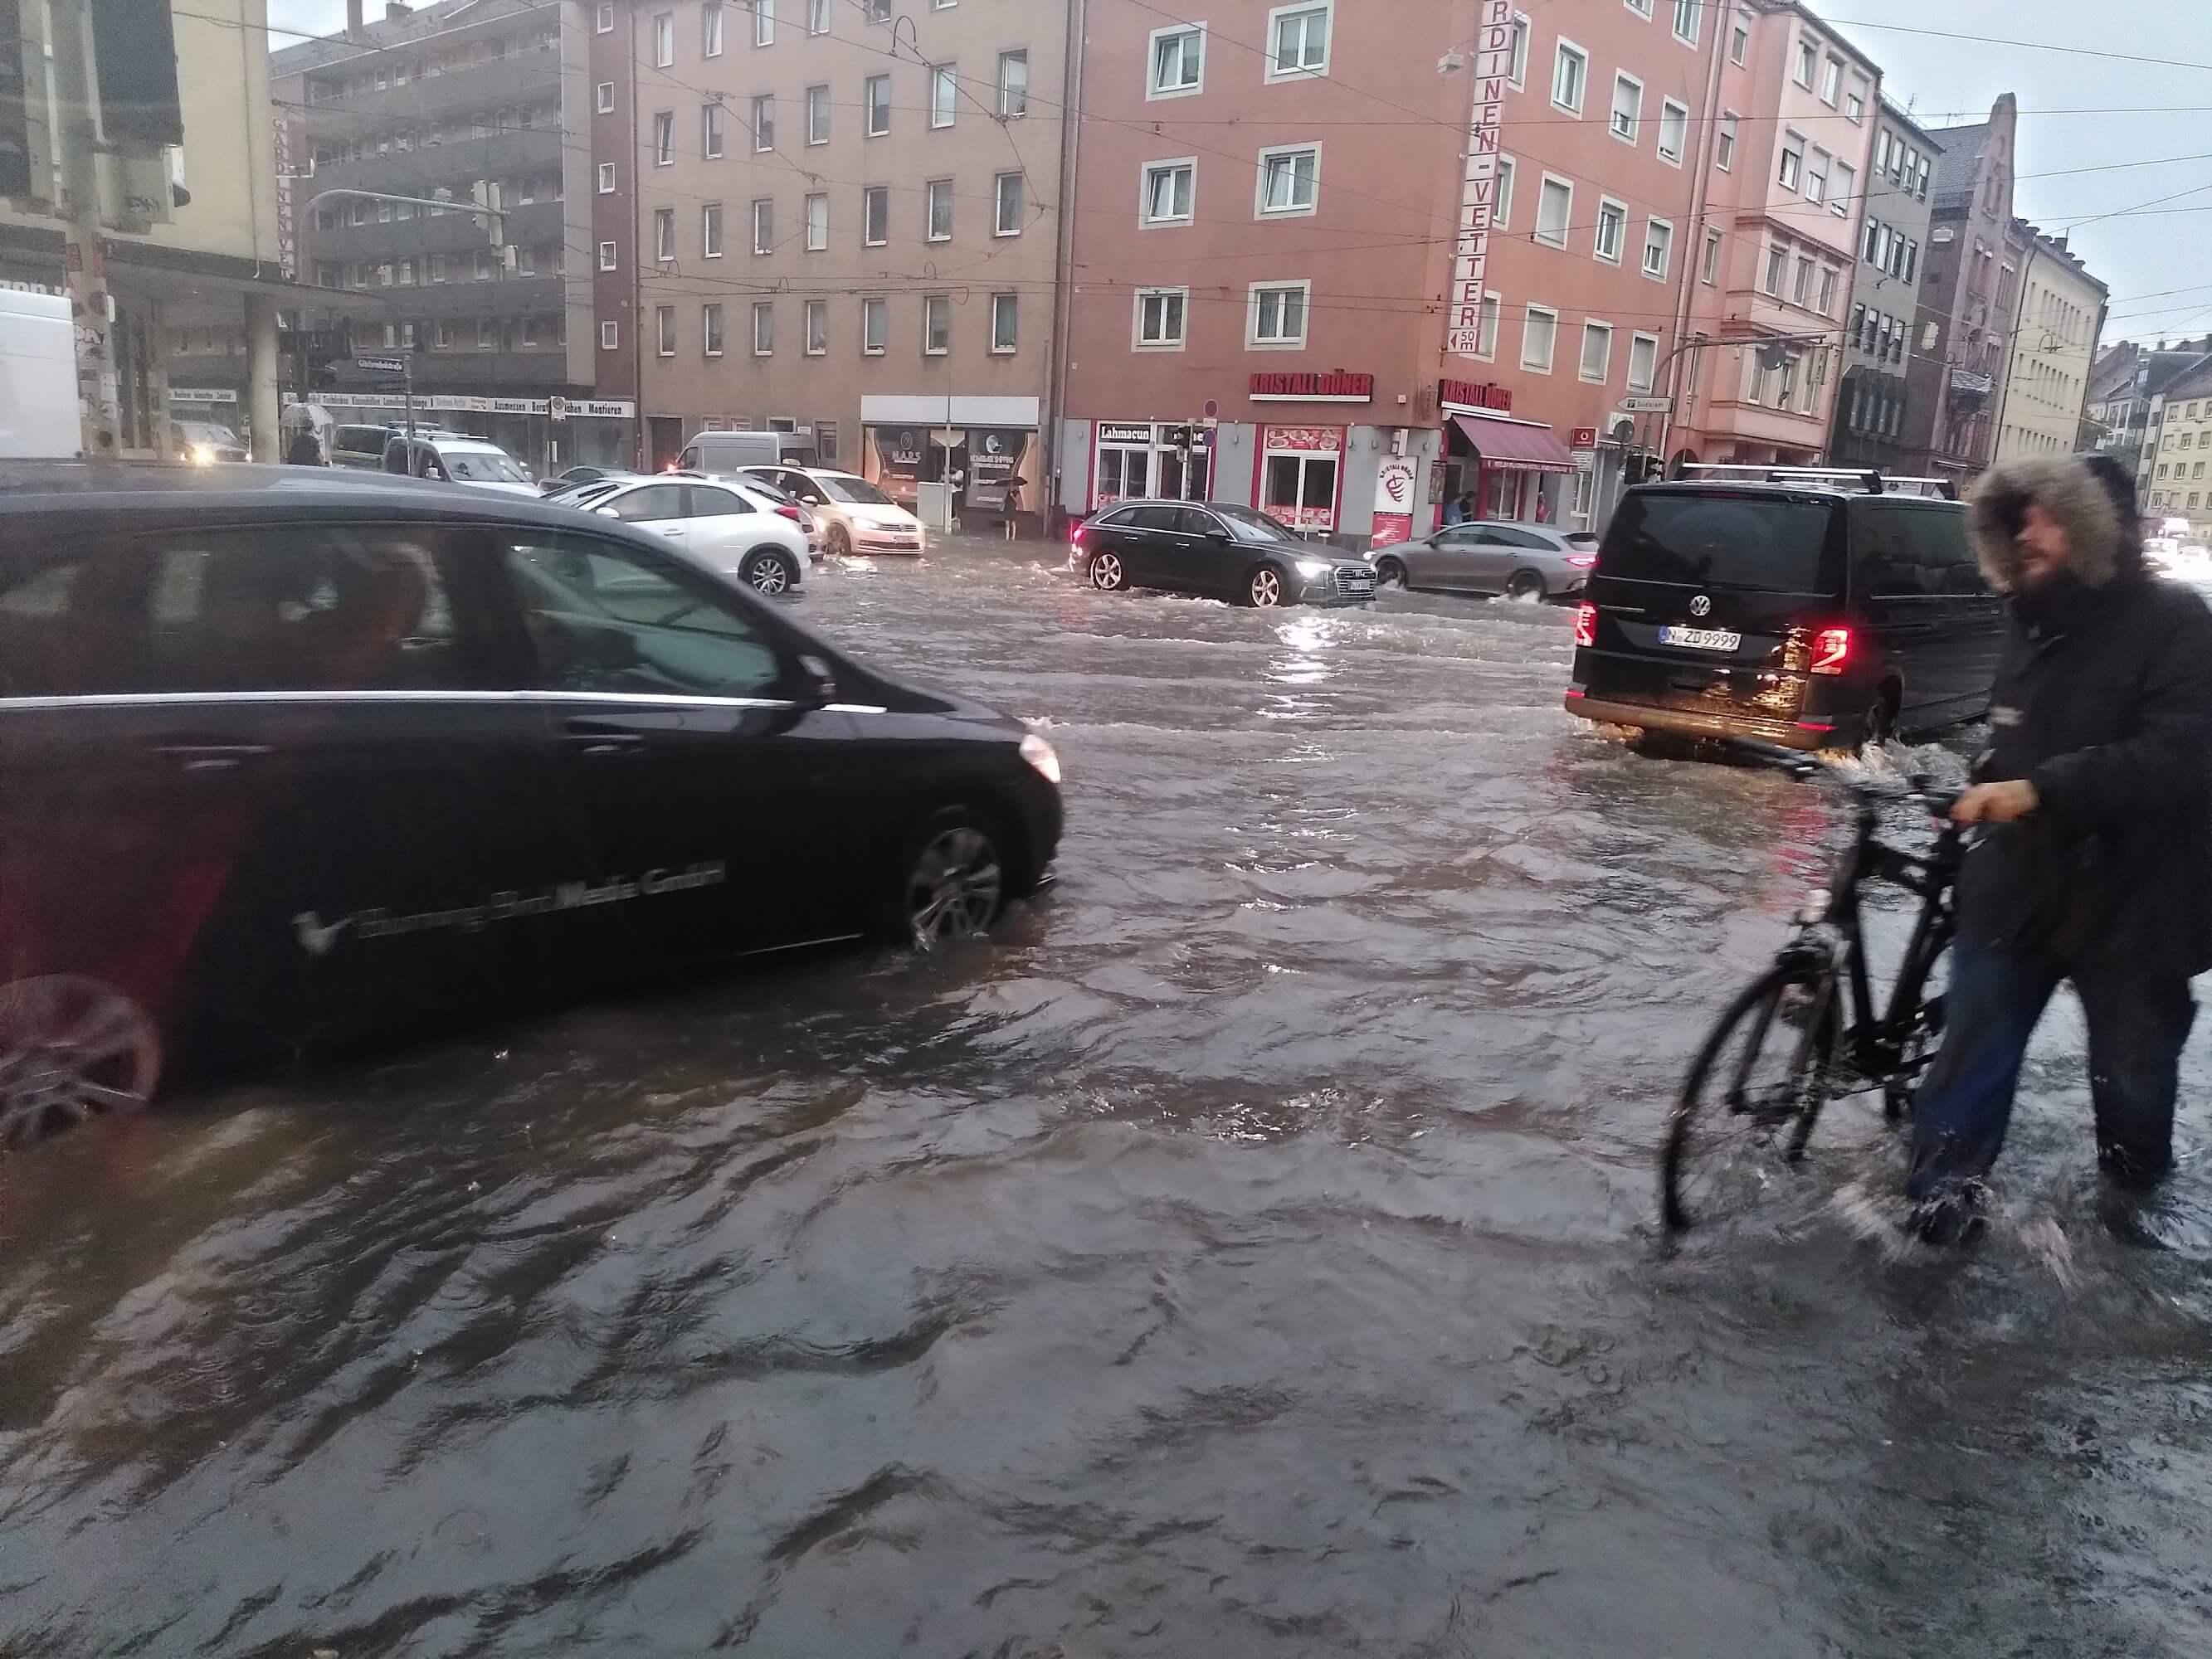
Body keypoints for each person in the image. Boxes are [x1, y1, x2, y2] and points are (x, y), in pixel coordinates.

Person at [1906, 453, 2212, 1243]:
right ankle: (1936, 1223)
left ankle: (2130, 1219)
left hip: (2134, 908)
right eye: (2018, 517)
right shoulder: (2029, 621)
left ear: (2097, 527)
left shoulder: (2177, 625)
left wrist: (2041, 789)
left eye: (2045, 515)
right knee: (1966, 1064)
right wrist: (1980, 784)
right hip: (2017, 890)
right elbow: (2013, 743)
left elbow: (2181, 753)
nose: (2027, 531)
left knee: (2133, 1094)